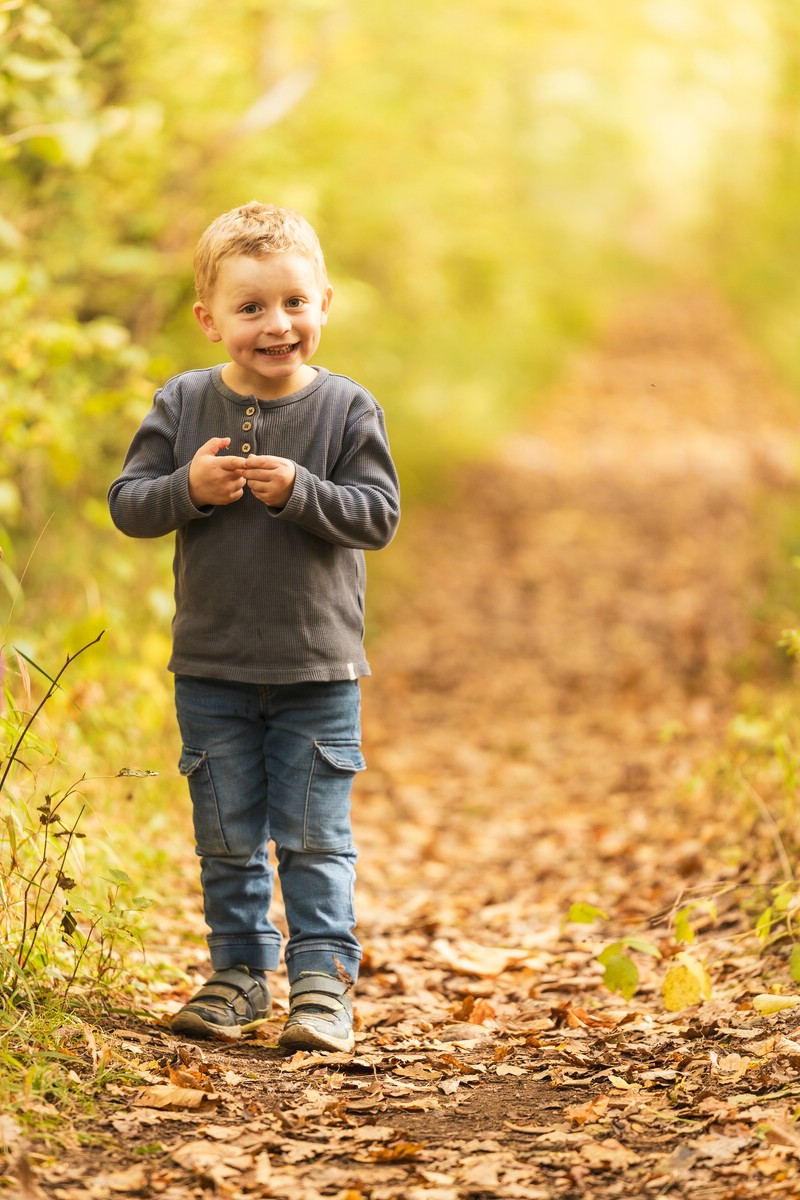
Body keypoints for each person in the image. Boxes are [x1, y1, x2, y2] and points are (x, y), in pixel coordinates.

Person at [108, 202, 400, 1053]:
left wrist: (304, 493)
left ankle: (321, 986)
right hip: (212, 668)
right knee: (228, 838)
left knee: (314, 840)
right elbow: (129, 505)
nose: (278, 324)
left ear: (324, 304)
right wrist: (187, 489)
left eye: (294, 303)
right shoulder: (183, 402)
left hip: (317, 669)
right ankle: (238, 976)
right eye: (252, 307)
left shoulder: (346, 409)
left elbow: (378, 515)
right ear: (210, 319)